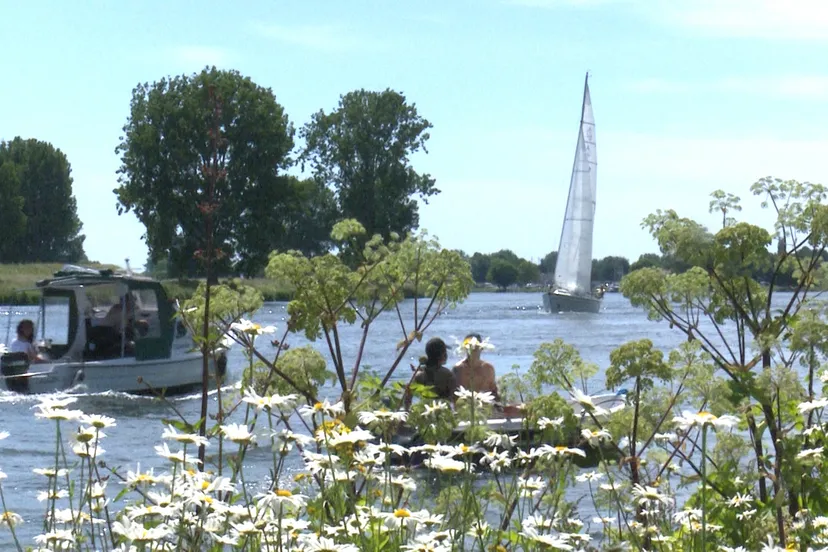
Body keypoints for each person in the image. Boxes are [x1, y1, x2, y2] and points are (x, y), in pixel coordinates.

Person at [403, 337, 458, 409]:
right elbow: (455, 399)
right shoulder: (448, 375)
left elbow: (407, 398)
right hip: (444, 412)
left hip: (424, 411)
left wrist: (407, 411)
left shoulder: (419, 375)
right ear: (443, 355)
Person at [453, 333, 501, 402]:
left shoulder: (488, 368)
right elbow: (454, 394)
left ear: (481, 348)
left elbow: (494, 392)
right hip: (465, 406)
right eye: (469, 346)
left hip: (486, 404)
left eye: (475, 346)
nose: (472, 348)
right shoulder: (458, 369)